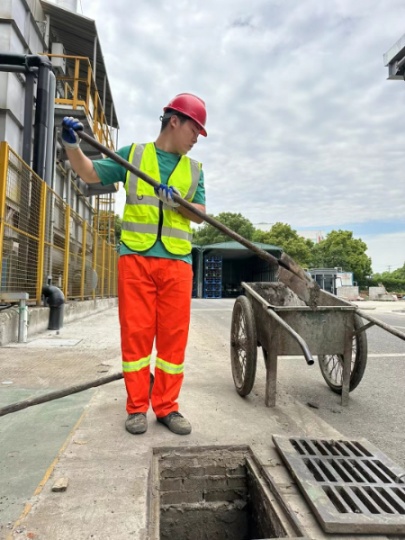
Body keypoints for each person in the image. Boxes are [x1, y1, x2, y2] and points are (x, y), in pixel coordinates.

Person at [61, 93, 207, 435]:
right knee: (137, 336)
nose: (196, 139)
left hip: (177, 264)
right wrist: (71, 146)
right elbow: (90, 172)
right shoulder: (133, 155)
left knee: (173, 340)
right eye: (195, 129)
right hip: (136, 260)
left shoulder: (194, 170)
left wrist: (179, 203)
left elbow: (199, 215)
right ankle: (137, 407)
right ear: (175, 121)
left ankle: (168, 408)